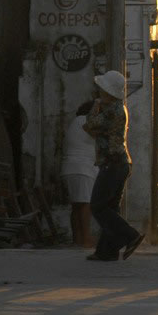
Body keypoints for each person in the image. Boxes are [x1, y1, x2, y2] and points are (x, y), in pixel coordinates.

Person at [83, 70, 144, 261]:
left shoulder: (110, 110)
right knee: (110, 207)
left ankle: (130, 235)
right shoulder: (118, 108)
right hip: (119, 163)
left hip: (113, 163)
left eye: (101, 90)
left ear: (108, 91)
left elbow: (91, 123)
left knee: (98, 206)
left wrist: (95, 106)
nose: (99, 93)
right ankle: (107, 251)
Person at [61, 101, 98, 248]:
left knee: (76, 205)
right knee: (85, 204)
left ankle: (77, 239)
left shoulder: (76, 121)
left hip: (69, 168)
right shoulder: (88, 122)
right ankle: (86, 239)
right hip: (83, 168)